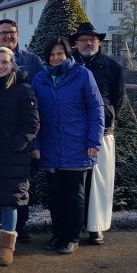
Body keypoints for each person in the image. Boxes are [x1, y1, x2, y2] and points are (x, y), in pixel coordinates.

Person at [31, 37, 104, 255]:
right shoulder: (40, 79)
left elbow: (96, 109)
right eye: (52, 54)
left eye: (60, 53)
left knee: (74, 194)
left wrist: (94, 141)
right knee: (55, 195)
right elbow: (33, 115)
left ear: (67, 54)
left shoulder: (82, 75)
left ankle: (72, 236)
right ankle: (58, 234)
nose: (55, 58)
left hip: (77, 144)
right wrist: (36, 143)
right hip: (51, 145)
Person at [0, 19, 43, 243]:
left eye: (11, 32)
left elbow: (37, 109)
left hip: (15, 144)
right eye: (3, 33)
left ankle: (18, 230)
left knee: (15, 191)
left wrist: (25, 143)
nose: (8, 36)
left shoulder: (32, 62)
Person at [70, 22, 125, 245]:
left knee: (99, 182)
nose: (88, 43)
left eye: (92, 39)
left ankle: (96, 227)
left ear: (99, 42)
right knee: (76, 183)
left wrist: (107, 116)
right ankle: (75, 224)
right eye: (83, 40)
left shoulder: (112, 67)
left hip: (102, 131)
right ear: (75, 43)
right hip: (75, 131)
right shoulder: (69, 64)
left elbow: (118, 99)